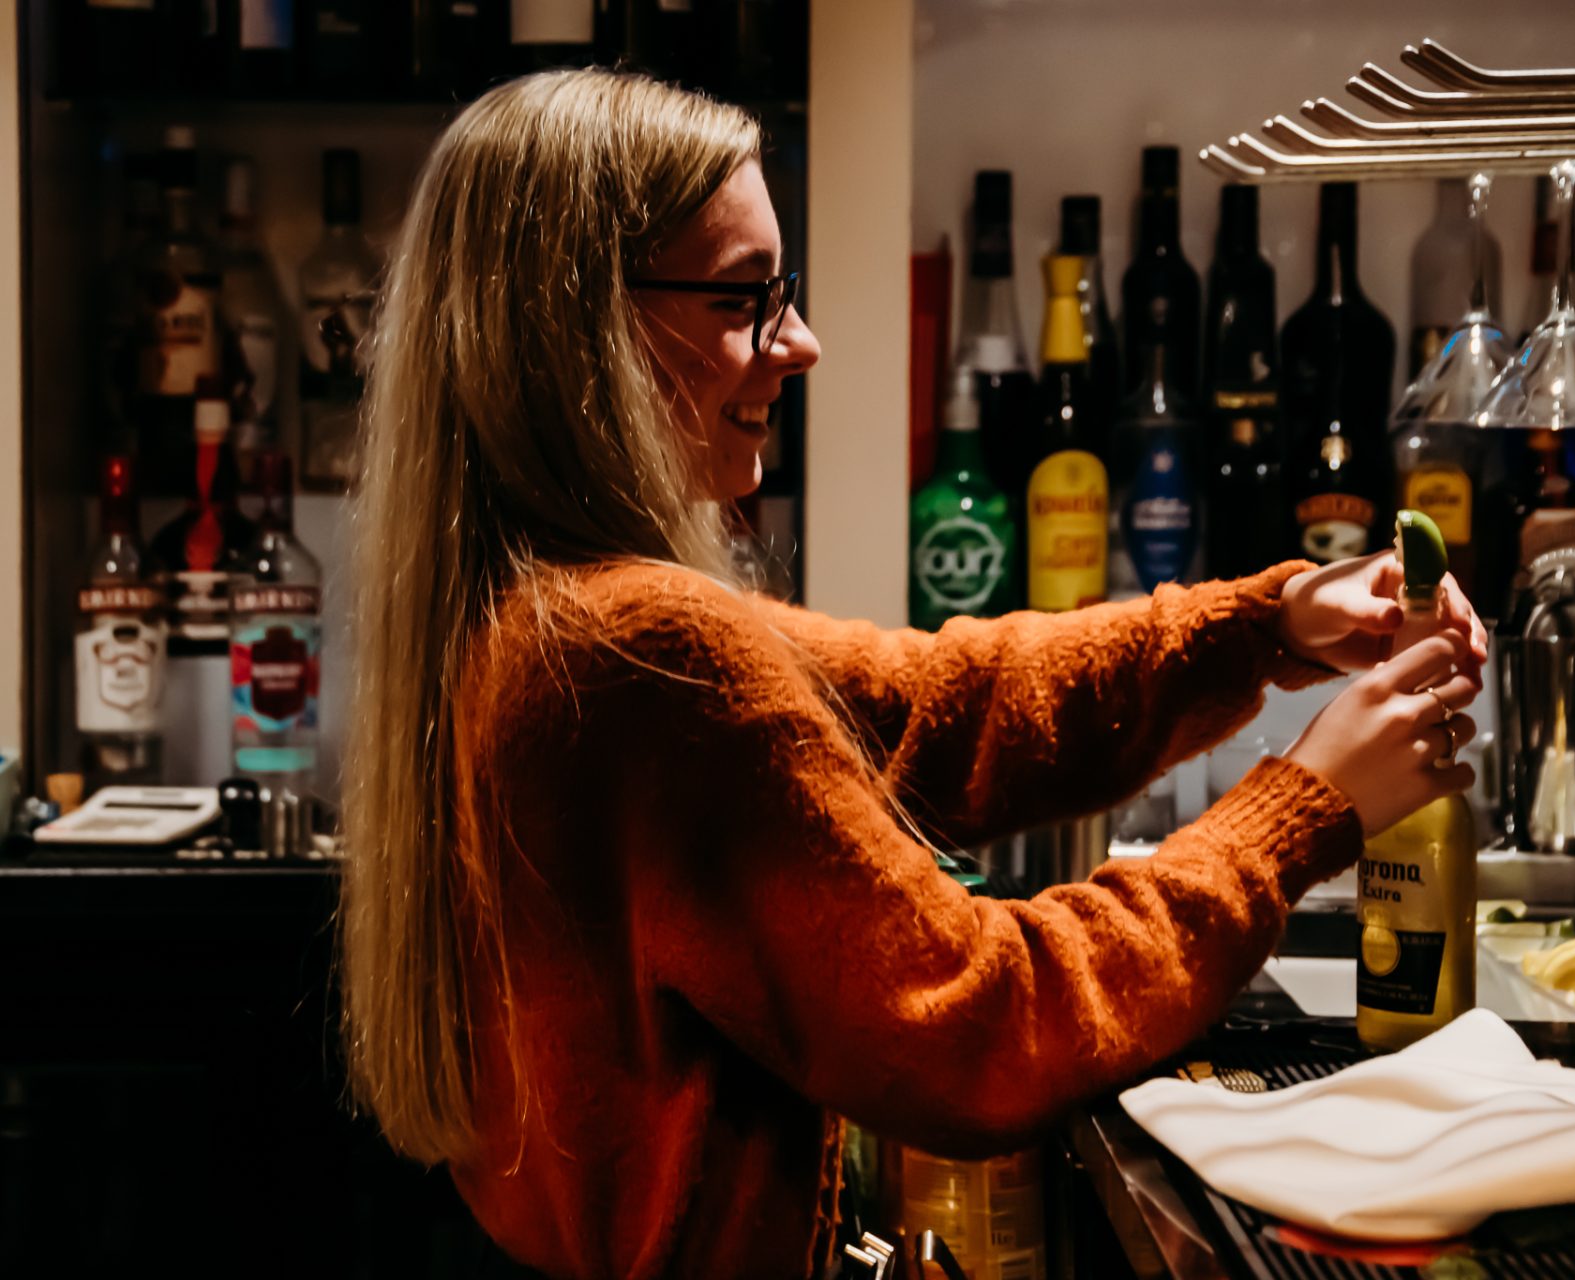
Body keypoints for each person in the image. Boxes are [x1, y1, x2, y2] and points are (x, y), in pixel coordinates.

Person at [339, 70, 1487, 1280]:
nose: (802, 341)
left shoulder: (539, 613)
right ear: (579, 326)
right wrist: (1305, 806)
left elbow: (939, 705)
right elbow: (984, 1021)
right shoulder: (645, 649)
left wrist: (1267, 623)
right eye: (745, 299)